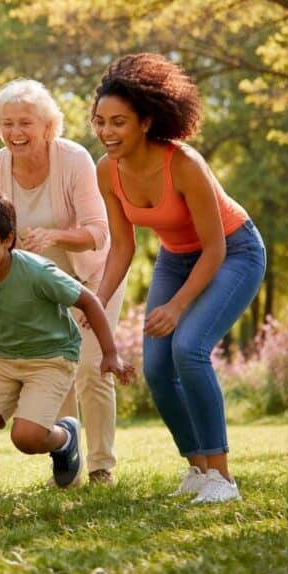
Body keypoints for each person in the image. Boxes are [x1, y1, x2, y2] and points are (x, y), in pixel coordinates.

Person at [91, 53, 266, 504]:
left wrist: (177, 305)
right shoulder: (106, 170)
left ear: (146, 122)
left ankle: (222, 478)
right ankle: (197, 467)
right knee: (156, 366)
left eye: (118, 123)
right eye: (100, 122)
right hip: (177, 257)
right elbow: (123, 246)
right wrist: (92, 302)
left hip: (234, 252)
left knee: (189, 349)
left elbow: (216, 249)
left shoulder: (184, 164)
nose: (107, 132)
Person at [0, 190, 134, 517]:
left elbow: (89, 302)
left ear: (7, 238)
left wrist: (110, 353)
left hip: (52, 357)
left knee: (26, 438)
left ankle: (64, 437)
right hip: (4, 357)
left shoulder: (37, 271)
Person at [0, 79, 126, 486]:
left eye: (25, 122)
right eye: (7, 123)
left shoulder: (74, 159)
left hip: (93, 273)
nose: (15, 132)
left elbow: (99, 231)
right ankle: (71, 466)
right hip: (37, 282)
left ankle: (101, 467)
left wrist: (55, 236)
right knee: (56, 366)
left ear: (48, 126)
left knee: (92, 366)